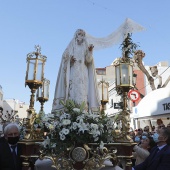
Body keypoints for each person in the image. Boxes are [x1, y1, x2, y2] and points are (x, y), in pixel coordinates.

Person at [52, 29, 100, 113]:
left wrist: (90, 52)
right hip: (74, 70)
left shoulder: (86, 46)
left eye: (82, 34)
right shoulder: (72, 45)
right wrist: (69, 61)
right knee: (73, 89)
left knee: (83, 90)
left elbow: (88, 60)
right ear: (76, 35)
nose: (80, 36)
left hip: (83, 72)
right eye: (79, 34)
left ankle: (83, 112)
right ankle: (71, 111)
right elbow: (64, 57)